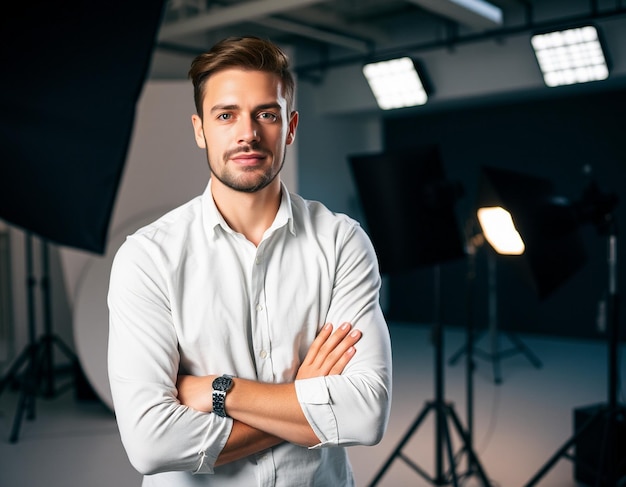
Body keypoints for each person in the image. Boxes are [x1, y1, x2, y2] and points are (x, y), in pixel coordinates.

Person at [107, 36, 392, 487]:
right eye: (226, 115)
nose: (248, 133)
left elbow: (366, 414)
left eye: (267, 114)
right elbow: (150, 444)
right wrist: (303, 399)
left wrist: (218, 390)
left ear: (291, 126)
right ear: (200, 129)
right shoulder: (148, 258)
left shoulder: (342, 242)